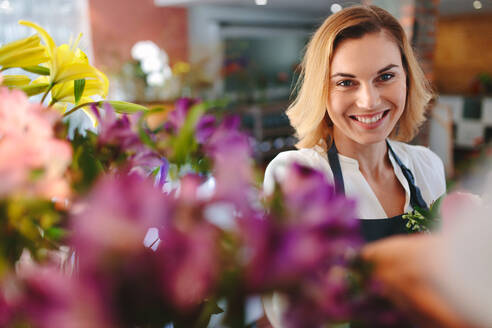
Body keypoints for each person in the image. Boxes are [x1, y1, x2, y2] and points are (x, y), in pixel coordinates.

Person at [262, 4, 446, 327]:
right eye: (346, 83)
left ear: (407, 78)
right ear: (322, 89)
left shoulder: (426, 167)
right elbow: (288, 313)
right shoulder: (297, 176)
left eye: (385, 76)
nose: (369, 101)